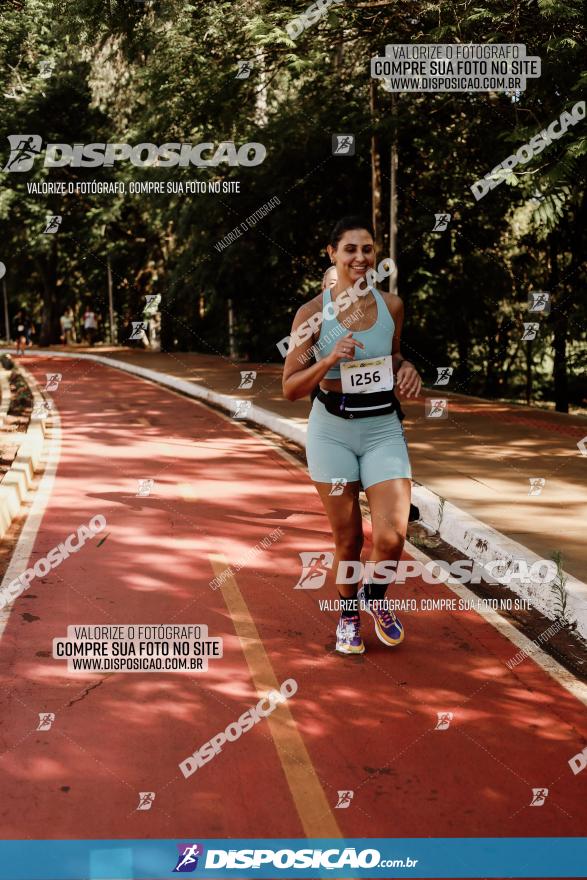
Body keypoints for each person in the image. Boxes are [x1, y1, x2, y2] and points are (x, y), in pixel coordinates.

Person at [283, 216, 421, 655]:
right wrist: (327, 362)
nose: (359, 258)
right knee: (349, 540)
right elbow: (289, 388)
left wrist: (407, 368)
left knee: (391, 538)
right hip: (332, 433)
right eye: (350, 250)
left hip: (382, 428)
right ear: (332, 254)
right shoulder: (310, 315)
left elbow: (394, 355)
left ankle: (374, 600)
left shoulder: (392, 306)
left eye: (367, 249)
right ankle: (347, 616)